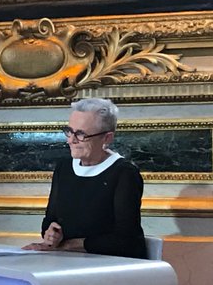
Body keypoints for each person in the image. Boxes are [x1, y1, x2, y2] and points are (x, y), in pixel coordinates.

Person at [24, 97, 146, 258]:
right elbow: (50, 220)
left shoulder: (124, 173)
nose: (71, 140)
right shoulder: (64, 168)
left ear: (107, 138)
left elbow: (126, 240)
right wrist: (51, 235)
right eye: (69, 131)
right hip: (68, 261)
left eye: (81, 134)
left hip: (112, 264)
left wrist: (70, 245)